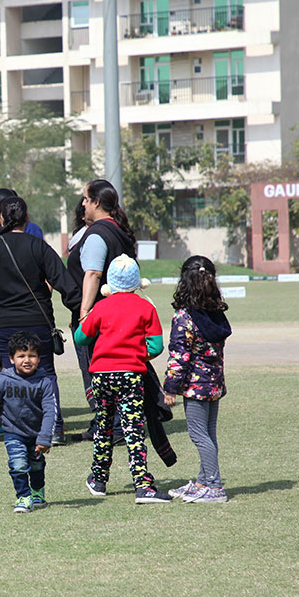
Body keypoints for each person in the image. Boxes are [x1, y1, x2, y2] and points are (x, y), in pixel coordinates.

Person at [0, 195, 79, 445]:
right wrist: (80, 310)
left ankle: (18, 430)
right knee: (46, 375)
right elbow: (64, 283)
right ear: (27, 217)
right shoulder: (39, 246)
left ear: (1, 218)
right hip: (37, 322)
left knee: (10, 376)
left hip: (3, 324)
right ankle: (54, 429)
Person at [73, 254, 172, 504]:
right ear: (137, 283)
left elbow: (80, 337)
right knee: (133, 430)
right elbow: (156, 346)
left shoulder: (101, 307)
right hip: (130, 376)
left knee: (103, 426)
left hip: (101, 376)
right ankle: (143, 485)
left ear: (110, 283)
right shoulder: (146, 308)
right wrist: (137, 353)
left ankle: (98, 479)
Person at [163, 256, 232, 504]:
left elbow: (179, 355)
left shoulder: (184, 317)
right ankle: (203, 481)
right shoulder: (216, 314)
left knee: (199, 435)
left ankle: (214, 486)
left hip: (196, 387)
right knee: (208, 434)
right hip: (214, 384)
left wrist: (170, 388)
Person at [66, 179, 137, 410]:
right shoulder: (117, 229)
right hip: (119, 313)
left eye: (86, 199)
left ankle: (108, 421)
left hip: (100, 316)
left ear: (97, 202)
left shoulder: (97, 234)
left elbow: (93, 274)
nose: (83, 204)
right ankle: (117, 418)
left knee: (100, 370)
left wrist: (84, 312)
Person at [0, 332, 56, 513]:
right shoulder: (3, 380)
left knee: (36, 465)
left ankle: (37, 492)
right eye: (21, 356)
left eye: (32, 356)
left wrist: (45, 437)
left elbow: (50, 411)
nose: (27, 360)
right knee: (18, 464)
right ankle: (23, 497)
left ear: (39, 358)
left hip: (36, 434)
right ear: (12, 359)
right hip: (13, 433)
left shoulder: (44, 382)